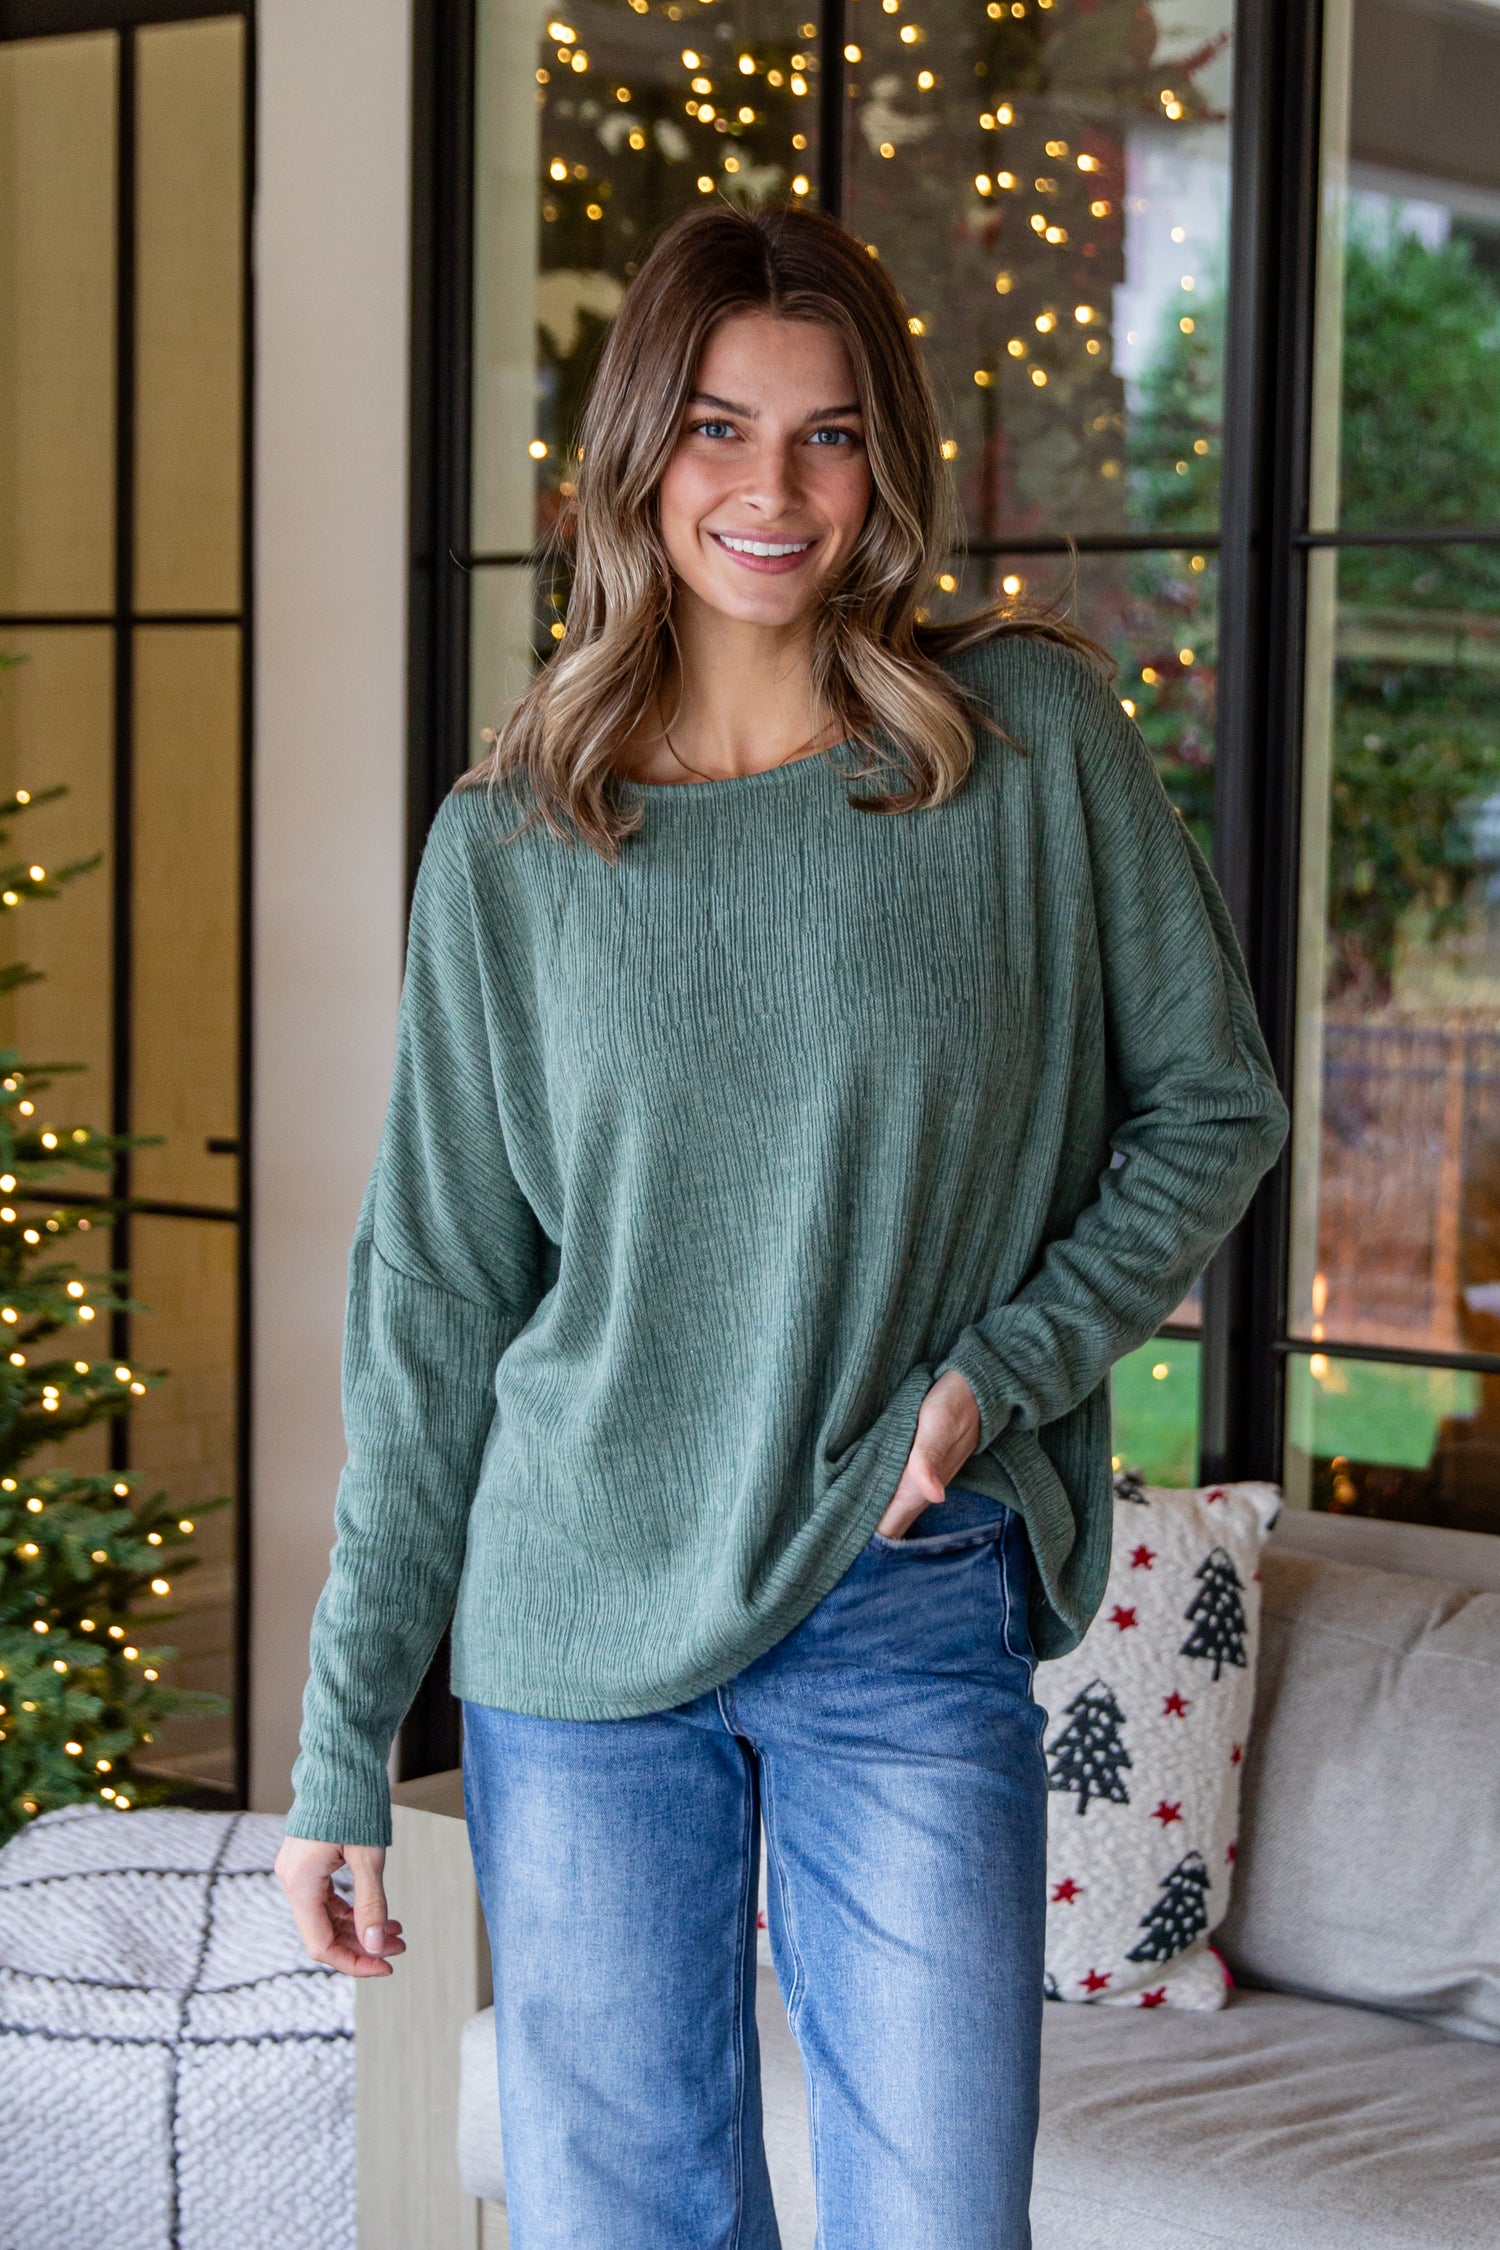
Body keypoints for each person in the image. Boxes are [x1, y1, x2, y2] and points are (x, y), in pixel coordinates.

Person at [276, 202, 1289, 2249]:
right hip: (575, 1626)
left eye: (829, 435)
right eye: (723, 427)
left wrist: (997, 1374)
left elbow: (1213, 1108)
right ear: (644, 451)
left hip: (900, 1592)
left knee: (938, 2220)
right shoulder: (514, 844)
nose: (773, 488)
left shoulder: (1021, 747)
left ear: (885, 463)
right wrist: (339, 1747)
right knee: (626, 2220)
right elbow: (443, 1300)